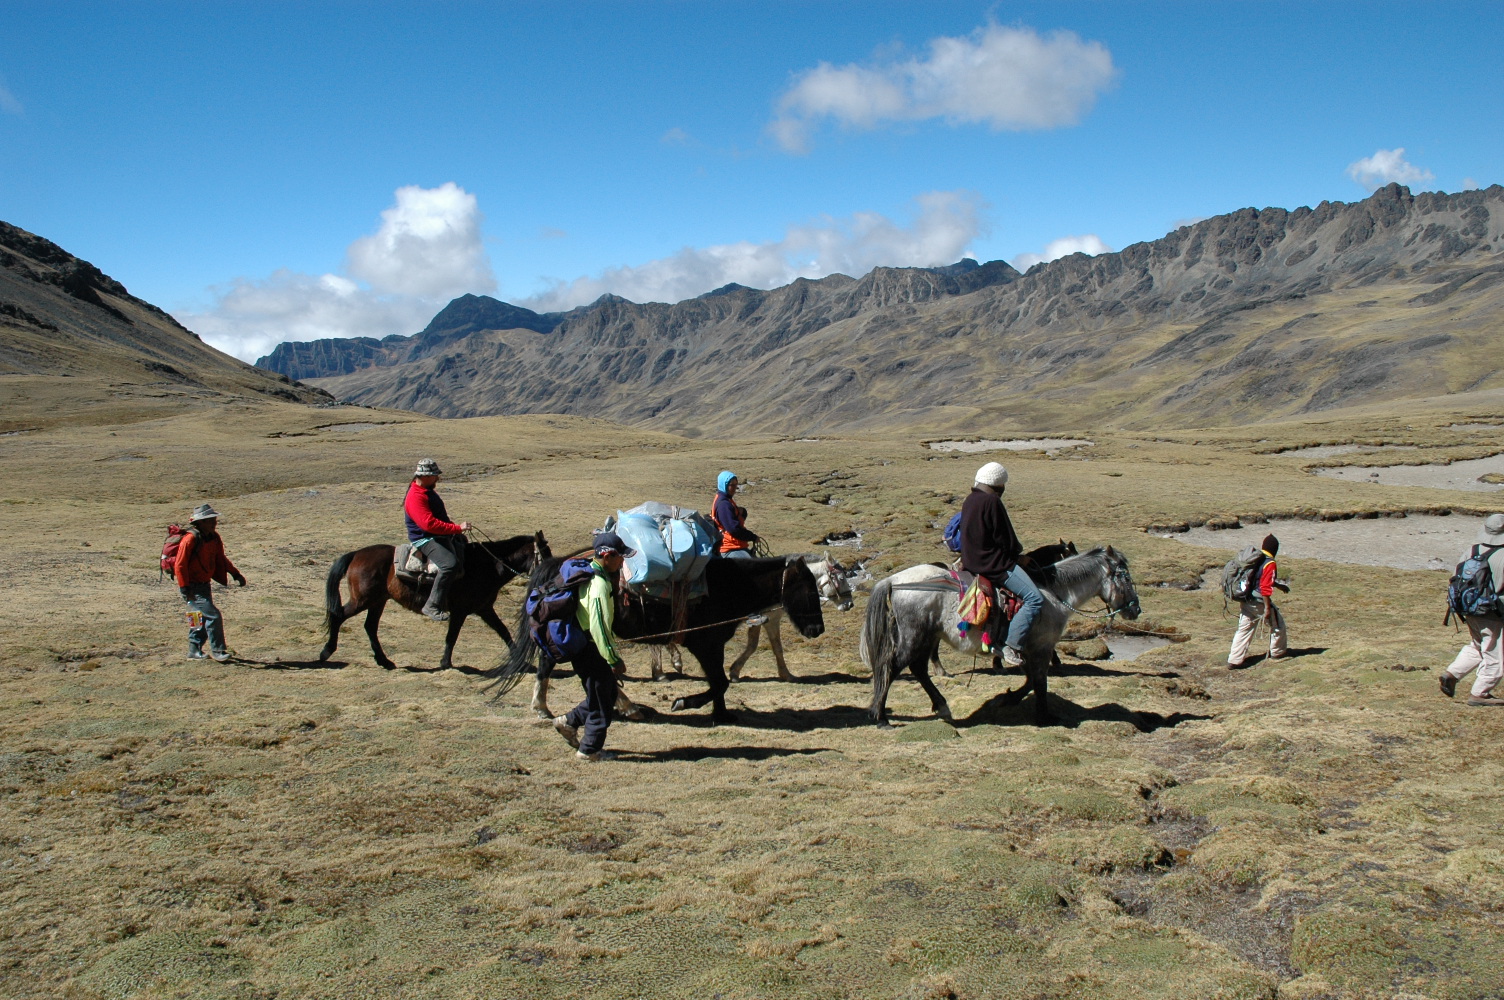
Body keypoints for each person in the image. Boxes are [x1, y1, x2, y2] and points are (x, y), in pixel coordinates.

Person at [553, 530, 636, 761]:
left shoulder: (590, 573)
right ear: (607, 556)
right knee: (601, 702)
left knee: (606, 694)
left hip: (586, 647)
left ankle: (568, 722)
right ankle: (589, 750)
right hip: (592, 650)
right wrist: (613, 659)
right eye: (620, 557)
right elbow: (599, 626)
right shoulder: (599, 585)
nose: (622, 562)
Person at [959, 462, 1044, 667]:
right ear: (999, 485)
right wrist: (1018, 555)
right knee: (1035, 599)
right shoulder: (992, 502)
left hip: (971, 561)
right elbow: (1006, 540)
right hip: (993, 565)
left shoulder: (970, 500)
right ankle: (1012, 645)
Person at [1439, 513, 1504, 707]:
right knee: (1496, 653)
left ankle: (1451, 674)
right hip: (1493, 612)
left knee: (1478, 644)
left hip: (1469, 608)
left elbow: (1455, 578)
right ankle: (1480, 693)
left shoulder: (1472, 550)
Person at [173, 503, 246, 661]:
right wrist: (185, 589)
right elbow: (179, 565)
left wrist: (235, 573)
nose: (214, 522)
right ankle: (218, 651)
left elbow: (220, 558)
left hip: (204, 584)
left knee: (198, 617)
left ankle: (194, 651)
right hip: (191, 587)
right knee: (213, 616)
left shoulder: (214, 537)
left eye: (214, 519)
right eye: (210, 520)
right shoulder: (190, 539)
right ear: (200, 522)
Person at [403, 458, 470, 621]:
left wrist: (454, 530)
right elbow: (428, 525)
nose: (437, 479)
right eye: (434, 475)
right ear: (425, 476)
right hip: (424, 539)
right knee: (449, 565)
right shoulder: (415, 497)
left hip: (436, 534)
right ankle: (432, 605)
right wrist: (456, 528)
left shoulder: (426, 490)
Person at [1227, 533, 1289, 668]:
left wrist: (1279, 585)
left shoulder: (1256, 558)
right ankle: (1278, 653)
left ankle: (1234, 660)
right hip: (1259, 601)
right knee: (1278, 625)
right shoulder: (1270, 563)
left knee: (1244, 630)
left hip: (1246, 599)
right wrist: (1267, 608)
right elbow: (1265, 587)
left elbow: (1257, 579)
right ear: (1275, 549)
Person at [710, 470, 759, 558]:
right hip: (729, 547)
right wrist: (752, 537)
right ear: (724, 485)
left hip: (735, 545)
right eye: (731, 485)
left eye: (736, 485)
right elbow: (734, 530)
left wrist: (743, 512)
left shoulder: (726, 499)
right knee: (752, 567)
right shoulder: (724, 505)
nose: (734, 488)